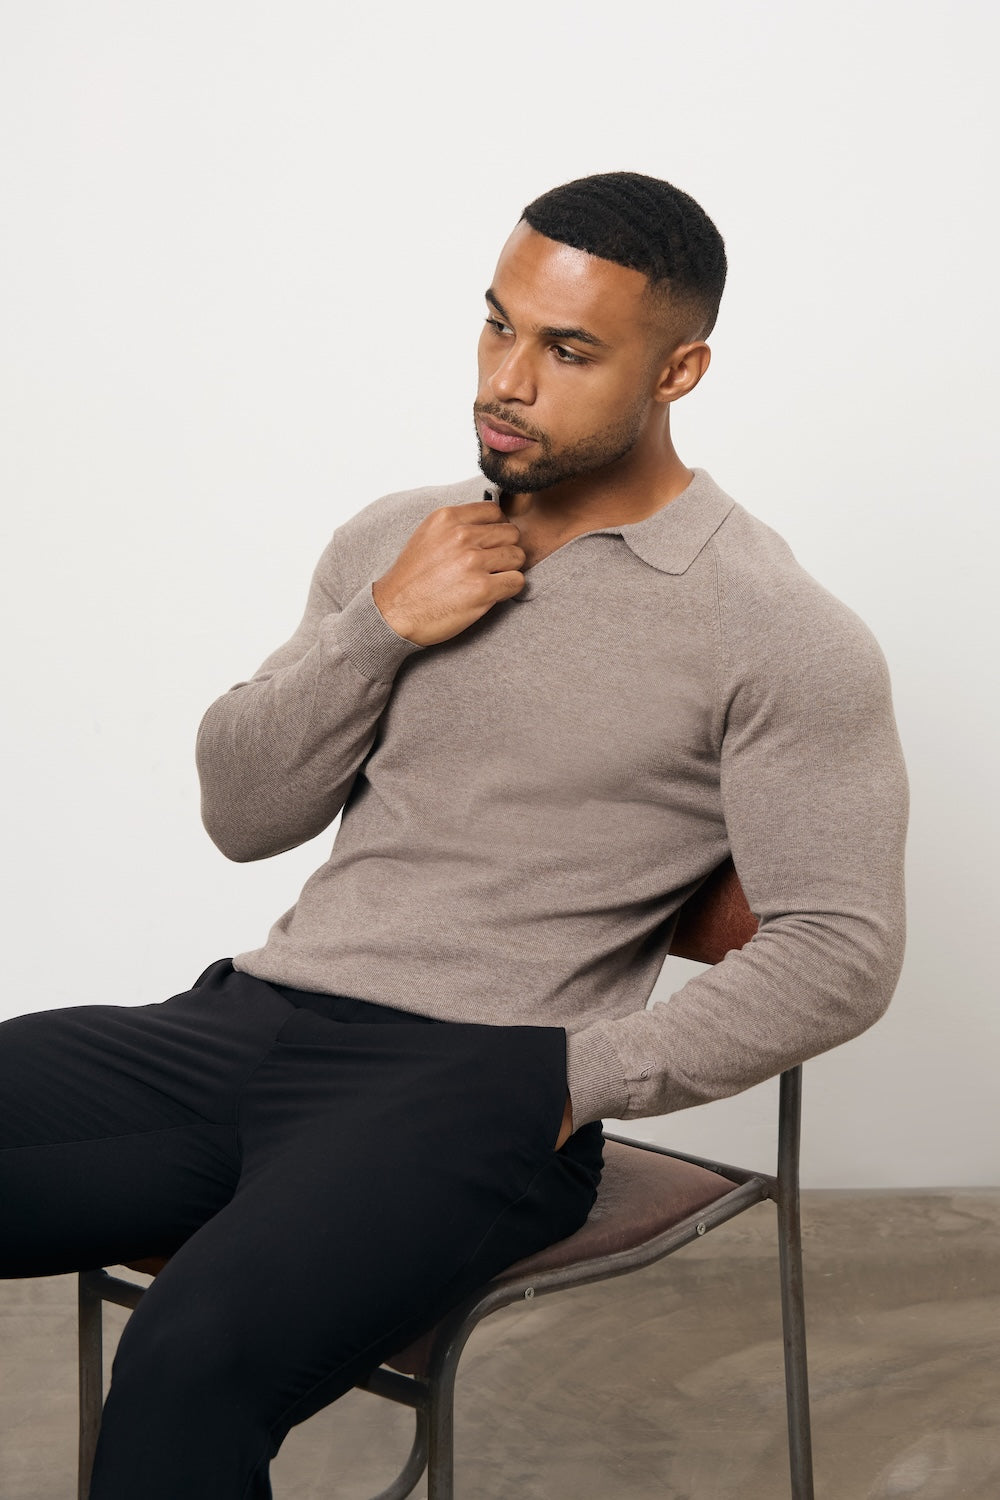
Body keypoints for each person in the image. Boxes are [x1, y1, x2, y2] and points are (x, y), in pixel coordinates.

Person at [0, 171, 908, 1498]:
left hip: (483, 1083)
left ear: (680, 371)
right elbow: (242, 815)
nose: (507, 382)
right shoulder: (399, 539)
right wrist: (382, 623)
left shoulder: (776, 627)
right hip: (248, 1024)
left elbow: (841, 950)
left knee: (189, 1362)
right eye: (497, 325)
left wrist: (570, 1081)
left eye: (569, 351)